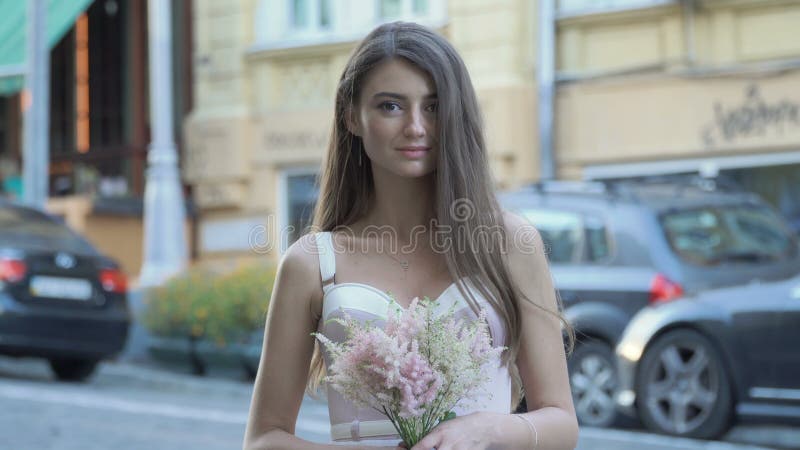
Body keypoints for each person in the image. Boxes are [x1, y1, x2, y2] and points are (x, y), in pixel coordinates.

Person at [244, 21, 578, 450]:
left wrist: (487, 428)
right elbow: (263, 440)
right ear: (352, 116)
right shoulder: (310, 264)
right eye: (391, 106)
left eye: (434, 107)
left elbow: (562, 424)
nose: (417, 127)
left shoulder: (510, 244)